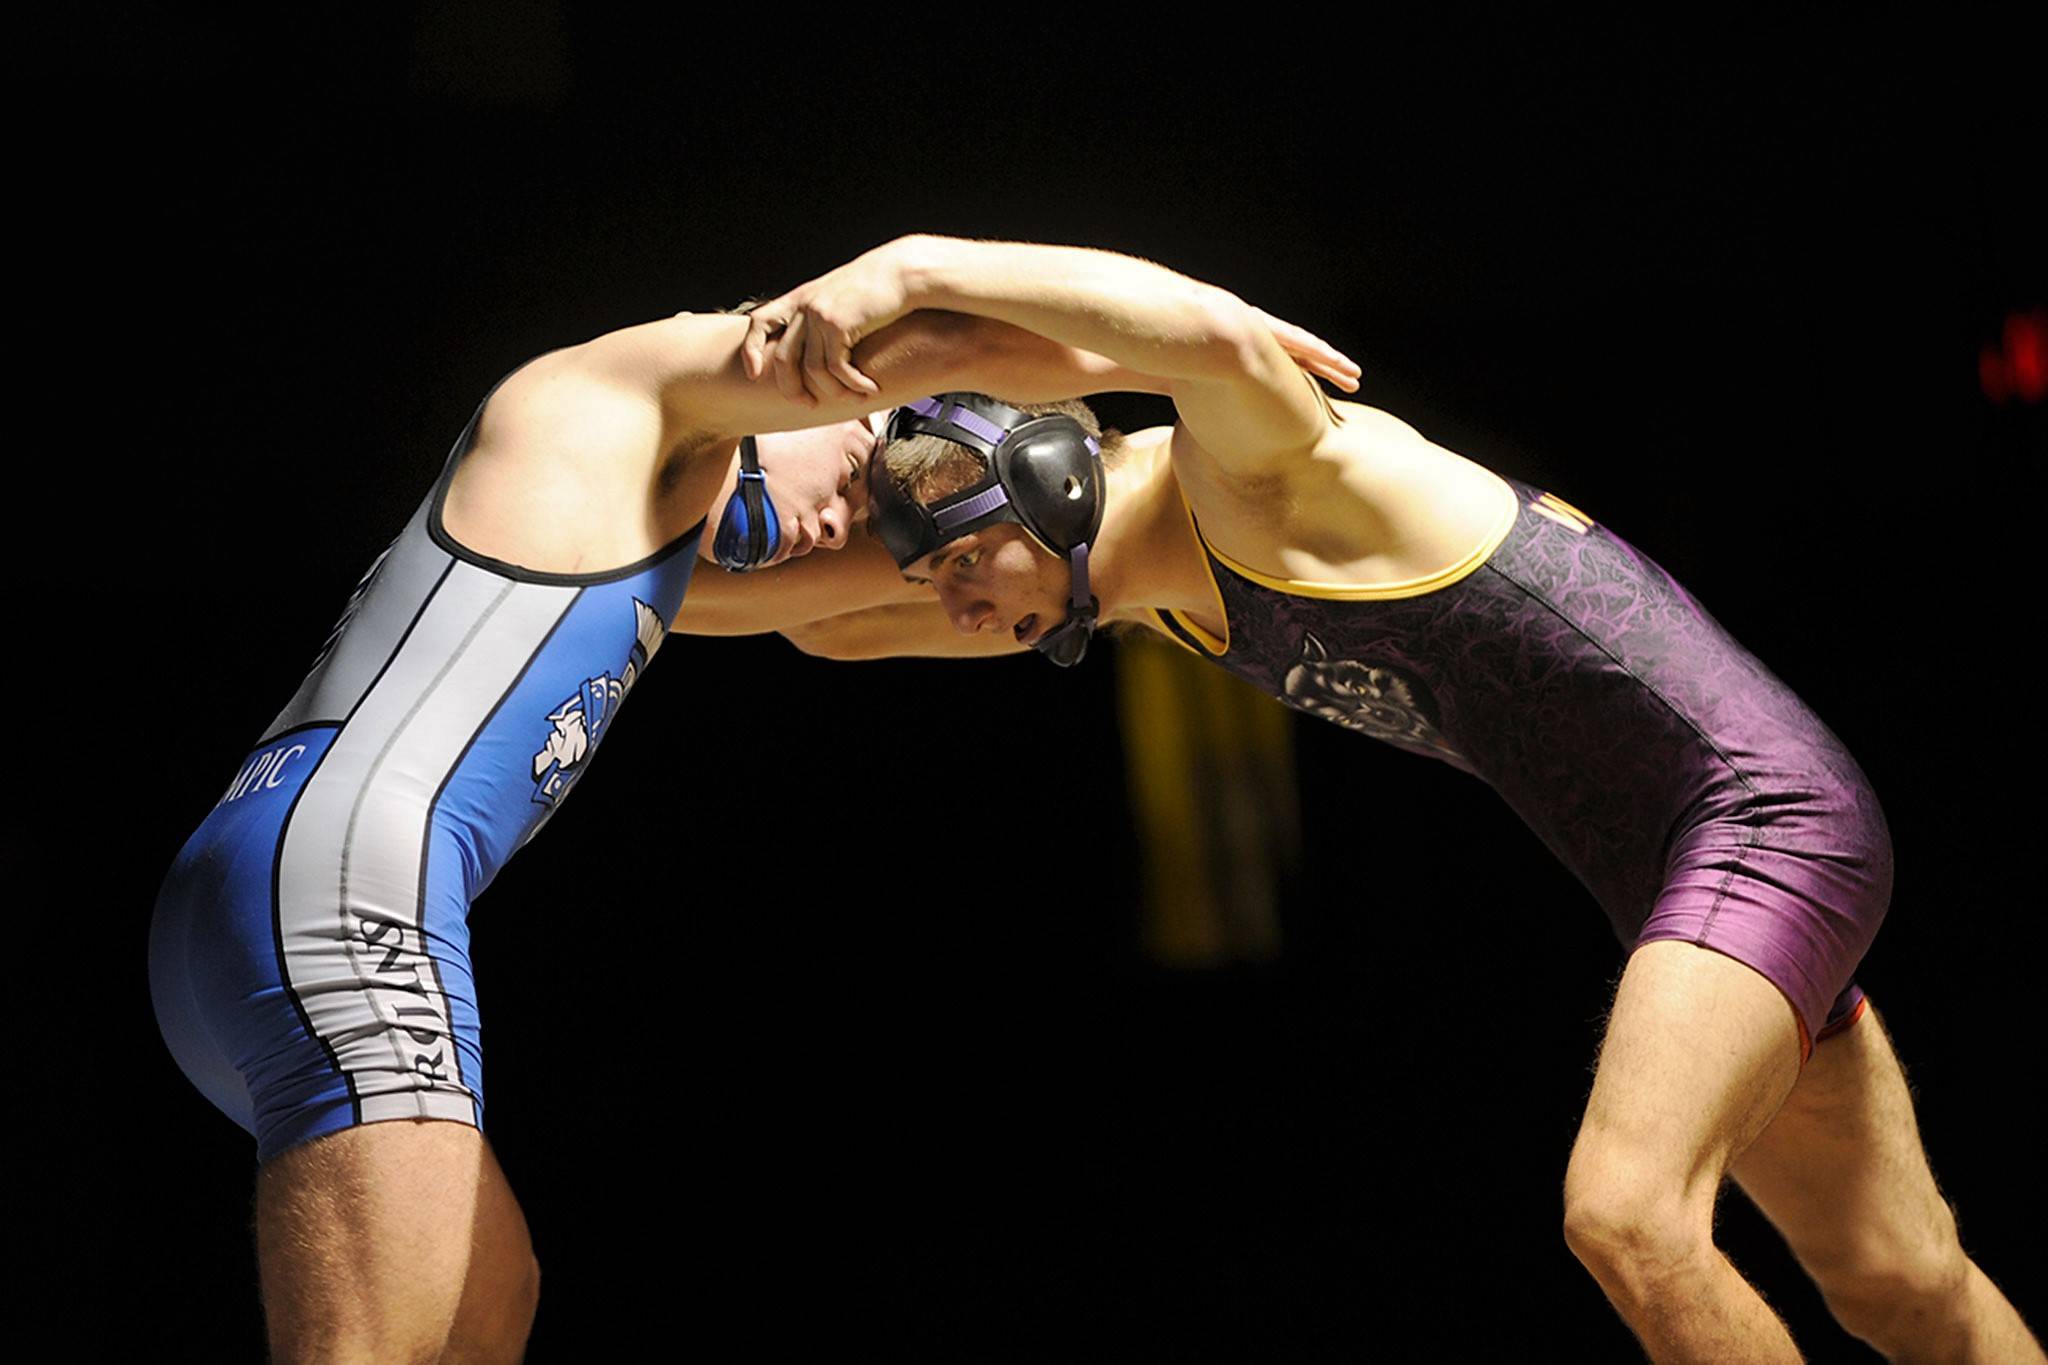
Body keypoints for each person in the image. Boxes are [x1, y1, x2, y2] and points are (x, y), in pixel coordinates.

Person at [683, 234, 2044, 1362]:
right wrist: (587, 521)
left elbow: (1209, 339)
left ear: (1047, 474)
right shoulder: (1156, 597)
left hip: (1761, 822)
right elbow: (823, 626)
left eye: (959, 563)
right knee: (1901, 1283)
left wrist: (906, 273)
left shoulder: (1256, 476)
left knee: (1628, 1216)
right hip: (1691, 881)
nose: (955, 606)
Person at [147, 297, 1360, 1362]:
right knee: (388, 1345)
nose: (844, 517)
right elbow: (929, 336)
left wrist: (1094, 556)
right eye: (855, 466)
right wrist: (1209, 361)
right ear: (792, 362)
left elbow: (856, 613)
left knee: (484, 1303)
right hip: (344, 884)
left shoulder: (627, 536)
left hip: (254, 900)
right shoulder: (617, 392)